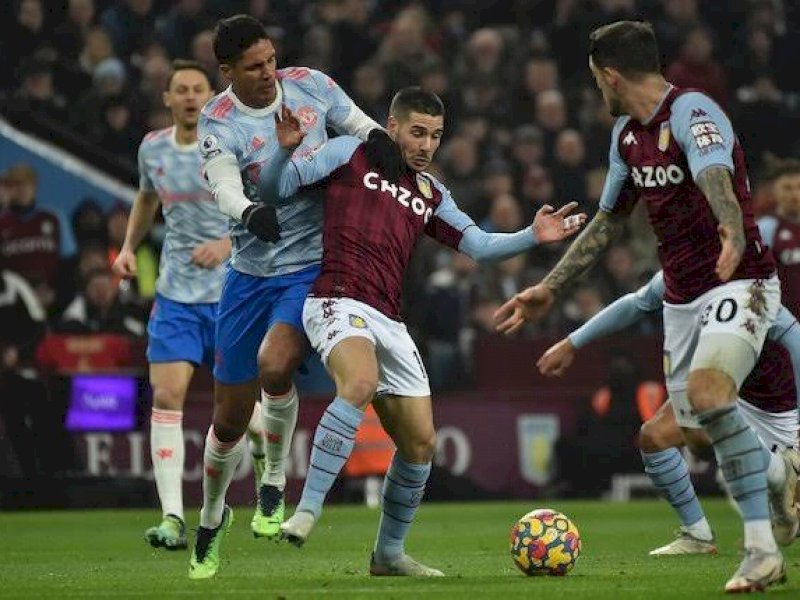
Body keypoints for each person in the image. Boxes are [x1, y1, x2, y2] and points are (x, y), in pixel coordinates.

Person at [494, 21, 784, 592]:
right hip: (679, 297)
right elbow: (607, 221)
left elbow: (715, 176)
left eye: (595, 80)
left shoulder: (693, 112)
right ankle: (781, 473)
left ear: (610, 75)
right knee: (696, 429)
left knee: (707, 396)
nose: (596, 91)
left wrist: (729, 230)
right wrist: (550, 287)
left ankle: (760, 551)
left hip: (738, 280)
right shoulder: (627, 135)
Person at [261, 88, 584, 576]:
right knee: (360, 383)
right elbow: (274, 190)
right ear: (391, 125)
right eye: (417, 132)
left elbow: (477, 245)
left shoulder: (430, 192)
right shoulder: (352, 153)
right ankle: (306, 509)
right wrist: (285, 151)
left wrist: (531, 238)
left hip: (389, 319)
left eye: (435, 136)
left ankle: (388, 554)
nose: (426, 145)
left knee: (420, 446)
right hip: (336, 297)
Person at [189, 14, 400, 579]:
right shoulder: (219, 119)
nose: (268, 73)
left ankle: (275, 479)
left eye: (271, 59)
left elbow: (356, 122)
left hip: (309, 268)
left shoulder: (312, 85)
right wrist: (250, 211)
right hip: (247, 273)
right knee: (229, 420)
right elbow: (225, 185)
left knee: (275, 363)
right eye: (255, 66)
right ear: (227, 69)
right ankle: (211, 519)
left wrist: (380, 139)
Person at [111, 59, 266, 551]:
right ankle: (173, 518)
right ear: (168, 98)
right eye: (181, 90)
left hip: (231, 293)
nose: (190, 97)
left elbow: (263, 206)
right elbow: (145, 199)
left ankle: (269, 470)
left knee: (241, 410)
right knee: (167, 397)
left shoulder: (231, 141)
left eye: (198, 88)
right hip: (176, 295)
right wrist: (127, 249)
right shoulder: (153, 148)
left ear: (211, 93)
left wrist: (226, 243)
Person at [538, 270, 800, 555]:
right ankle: (697, 534)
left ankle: (781, 477)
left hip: (775, 413)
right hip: (721, 392)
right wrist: (572, 342)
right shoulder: (680, 272)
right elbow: (635, 304)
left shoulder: (746, 283)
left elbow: (795, 339)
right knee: (653, 437)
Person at [758, 158, 800, 319]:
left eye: (798, 187)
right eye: (787, 188)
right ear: (775, 191)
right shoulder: (765, 228)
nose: (794, 194)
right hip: (784, 326)